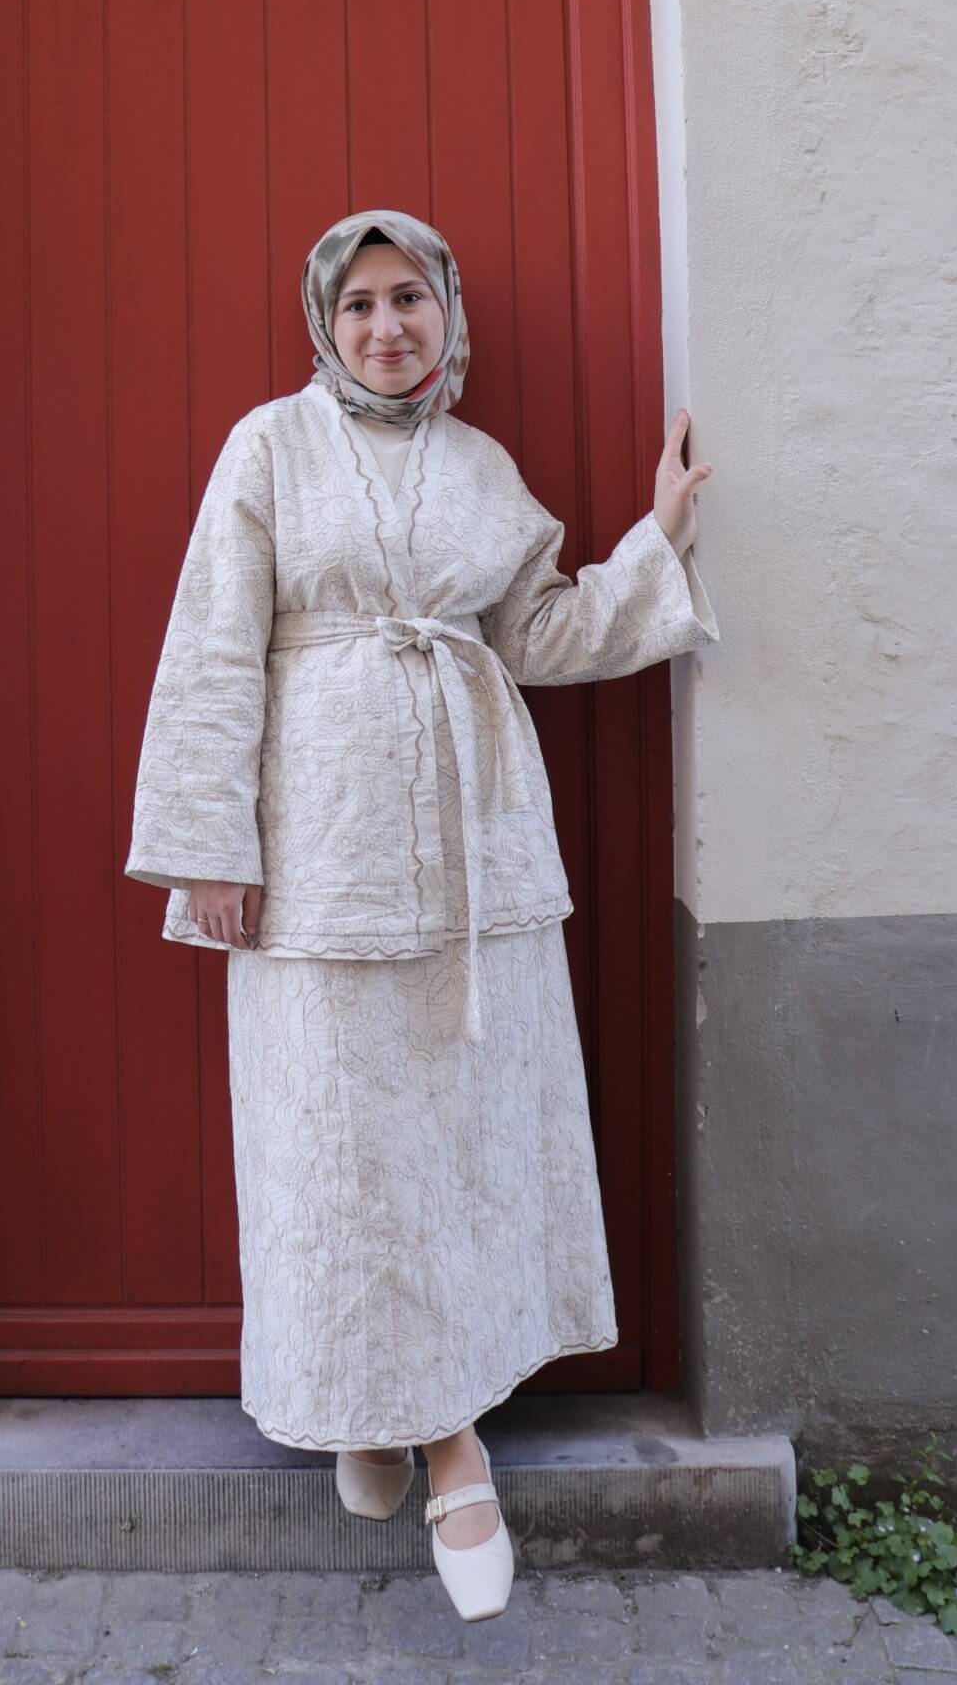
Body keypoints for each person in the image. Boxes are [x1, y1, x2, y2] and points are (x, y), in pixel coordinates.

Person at [124, 207, 719, 1622]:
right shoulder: (268, 448)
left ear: (447, 315)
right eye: (359, 304)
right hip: (318, 859)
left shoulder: (479, 467)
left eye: (409, 300)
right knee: (336, 1148)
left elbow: (540, 634)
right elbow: (213, 645)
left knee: (455, 1144)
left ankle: (441, 1435)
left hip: (473, 863)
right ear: (324, 324)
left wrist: (659, 539)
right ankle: (378, 1412)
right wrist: (212, 846)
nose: (386, 327)